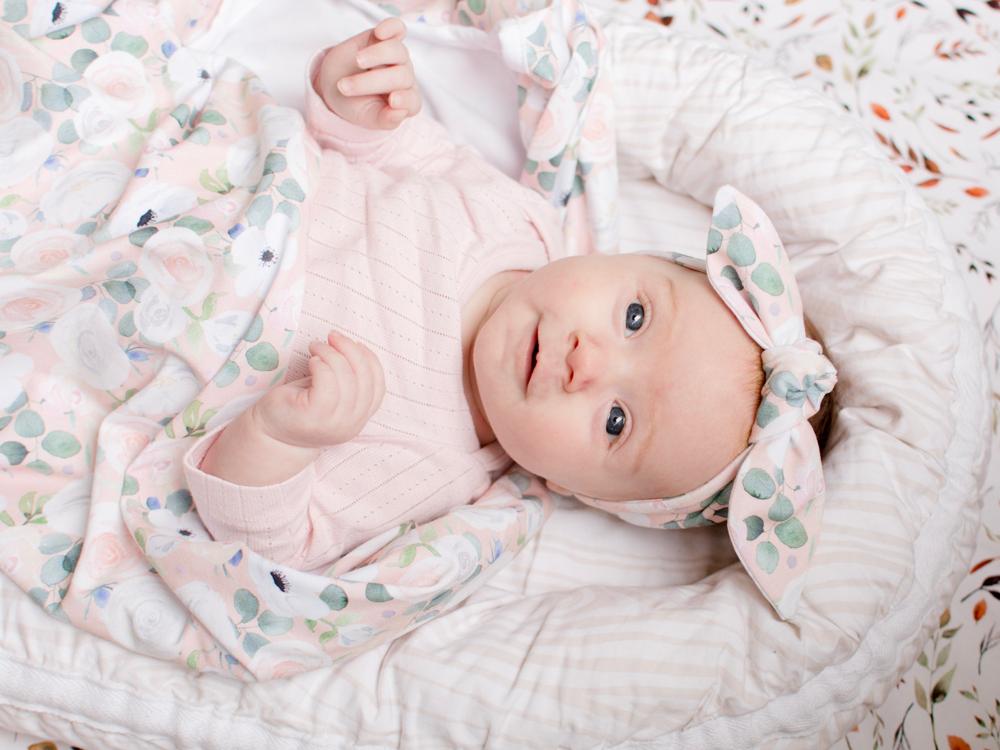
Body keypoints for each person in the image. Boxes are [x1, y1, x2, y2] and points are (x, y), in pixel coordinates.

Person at [183, 19, 835, 617]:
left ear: (572, 487)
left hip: (159, 310)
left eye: (616, 421)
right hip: (200, 166)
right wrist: (354, 102)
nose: (589, 362)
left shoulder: (434, 468)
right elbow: (387, 152)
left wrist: (279, 439)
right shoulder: (520, 223)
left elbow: (269, 547)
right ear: (627, 257)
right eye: (635, 317)